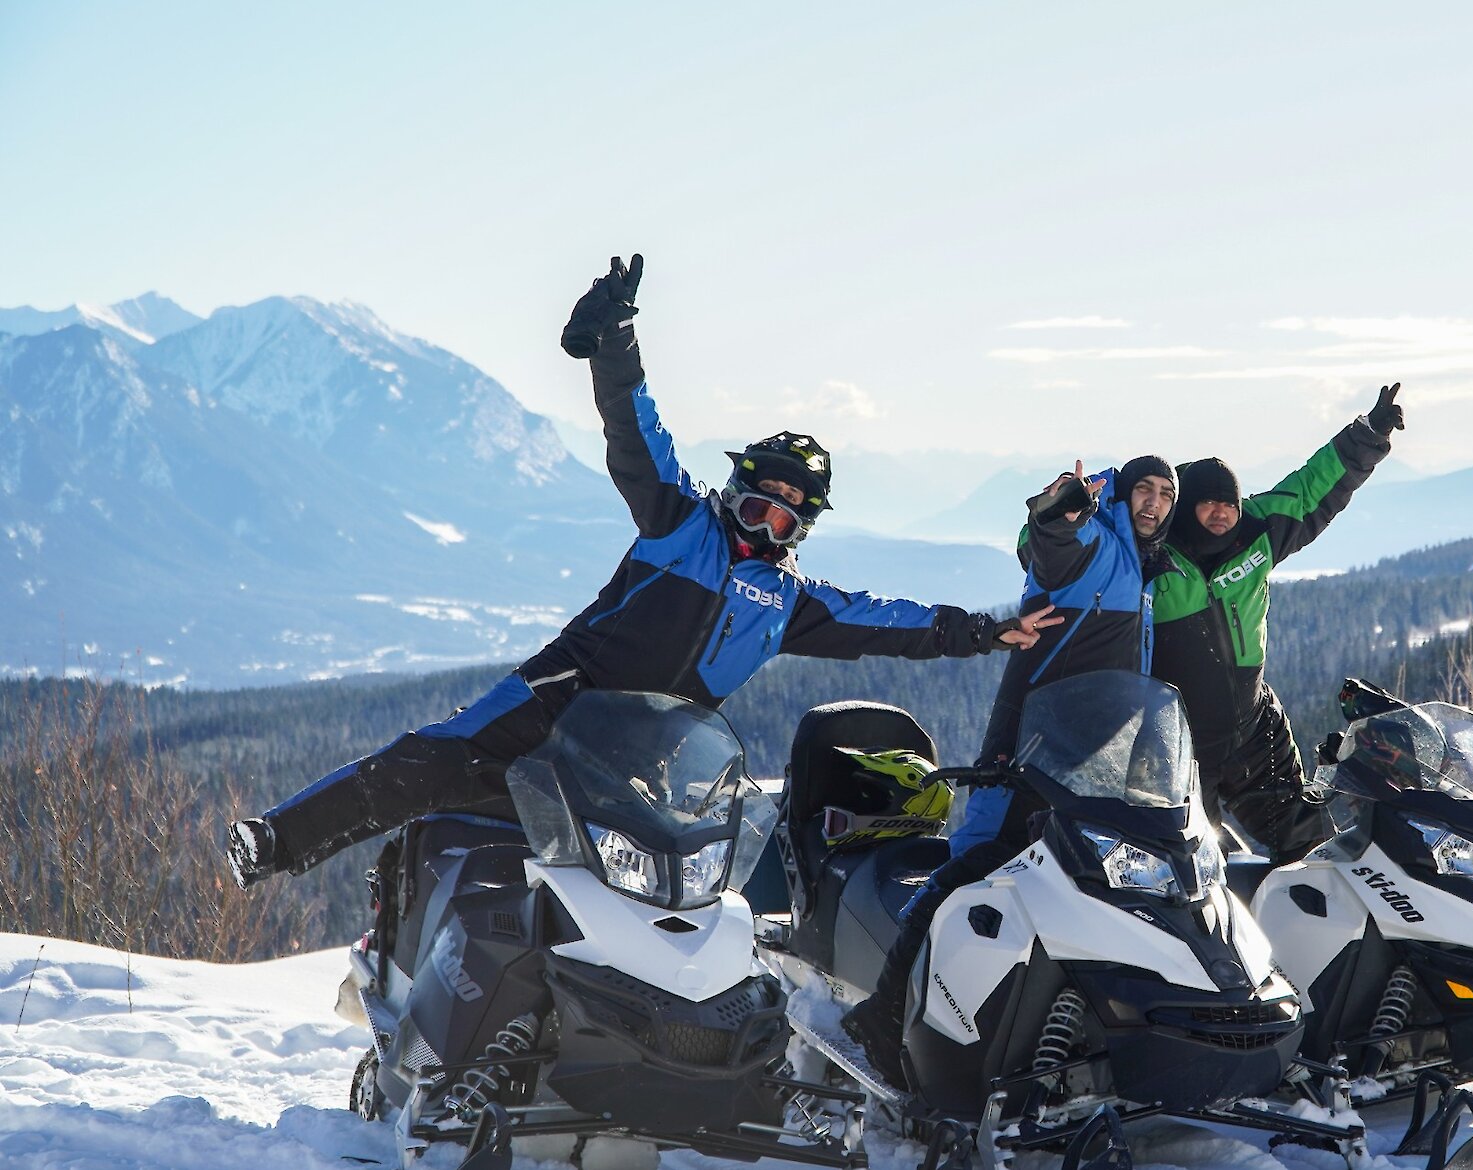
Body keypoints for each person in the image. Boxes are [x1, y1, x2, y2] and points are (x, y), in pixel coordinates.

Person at [224, 255, 1059, 887]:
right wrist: (613, 341)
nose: (763, 523)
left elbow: (895, 622)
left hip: (655, 748)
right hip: (561, 691)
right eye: (754, 502)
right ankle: (276, 841)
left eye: (784, 516)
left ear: (801, 527)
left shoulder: (789, 603)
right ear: (730, 493)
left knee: (643, 874)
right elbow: (638, 432)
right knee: (432, 757)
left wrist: (987, 631)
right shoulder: (679, 522)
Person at [842, 455, 1177, 1085]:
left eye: (1166, 494)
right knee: (980, 860)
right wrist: (1061, 508)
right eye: (1144, 490)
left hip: (1090, 757)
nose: (1155, 502)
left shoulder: (1143, 567)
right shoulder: (1099, 547)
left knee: (1072, 881)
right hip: (1029, 738)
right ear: (1121, 497)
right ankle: (883, 1014)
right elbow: (1054, 543)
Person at [1150, 383, 1402, 864]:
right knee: (1191, 868)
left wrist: (1368, 434)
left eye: (1229, 502)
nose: (1221, 512)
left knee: (1310, 849)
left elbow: (1312, 487)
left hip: (1251, 727)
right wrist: (1056, 519)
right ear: (1186, 507)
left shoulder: (1259, 532)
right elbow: (1069, 554)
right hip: (1178, 742)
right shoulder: (1153, 551)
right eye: (1208, 503)